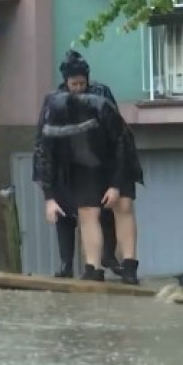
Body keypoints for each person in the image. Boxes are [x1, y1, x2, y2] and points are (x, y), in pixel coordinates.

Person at [33, 50, 125, 279]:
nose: (78, 88)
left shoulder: (100, 94)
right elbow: (43, 142)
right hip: (65, 166)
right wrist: (47, 190)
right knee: (64, 215)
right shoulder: (55, 101)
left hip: (96, 164)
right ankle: (66, 263)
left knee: (103, 212)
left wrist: (115, 178)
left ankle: (106, 256)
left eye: (82, 83)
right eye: (74, 84)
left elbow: (117, 132)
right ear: (66, 82)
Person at [36, 89, 143, 284]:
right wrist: (49, 198)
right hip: (84, 166)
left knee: (123, 205)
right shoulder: (51, 125)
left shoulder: (102, 109)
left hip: (117, 158)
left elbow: (121, 145)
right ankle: (93, 268)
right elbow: (46, 160)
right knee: (87, 211)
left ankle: (129, 265)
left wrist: (115, 185)